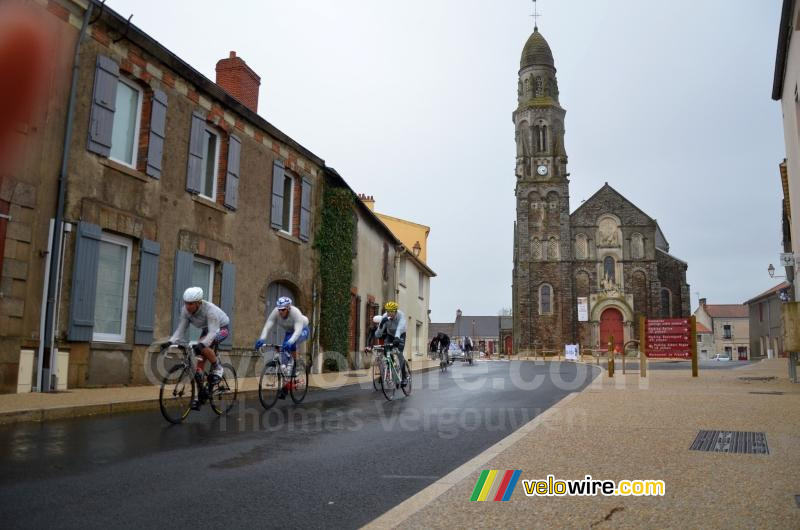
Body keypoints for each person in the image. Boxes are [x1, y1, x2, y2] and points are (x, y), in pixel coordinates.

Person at [169, 287, 230, 408]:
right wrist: (170, 342)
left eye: (191, 304)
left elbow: (213, 333)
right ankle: (201, 395)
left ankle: (218, 368)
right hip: (207, 329)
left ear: (199, 302)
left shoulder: (210, 310)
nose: (187, 306)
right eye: (186, 303)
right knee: (198, 368)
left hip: (221, 329)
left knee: (203, 346)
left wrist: (201, 345)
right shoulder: (185, 311)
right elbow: (181, 329)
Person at [254, 297, 310, 398]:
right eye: (279, 309)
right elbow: (268, 324)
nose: (280, 312)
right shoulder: (276, 312)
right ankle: (285, 387)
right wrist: (262, 339)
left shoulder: (295, 313)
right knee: (283, 360)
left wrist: (291, 341)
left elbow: (297, 331)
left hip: (302, 330)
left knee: (291, 344)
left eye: (283, 309)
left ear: (288, 308)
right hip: (289, 332)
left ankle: (297, 367)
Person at [374, 301, 409, 386]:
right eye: (388, 311)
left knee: (399, 353)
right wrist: (381, 325)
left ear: (396, 311)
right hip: (390, 335)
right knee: (386, 351)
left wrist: (397, 338)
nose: (389, 313)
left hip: (400, 335)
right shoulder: (385, 317)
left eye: (391, 311)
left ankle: (404, 377)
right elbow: (377, 334)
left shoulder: (401, 316)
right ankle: (392, 366)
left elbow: (399, 329)